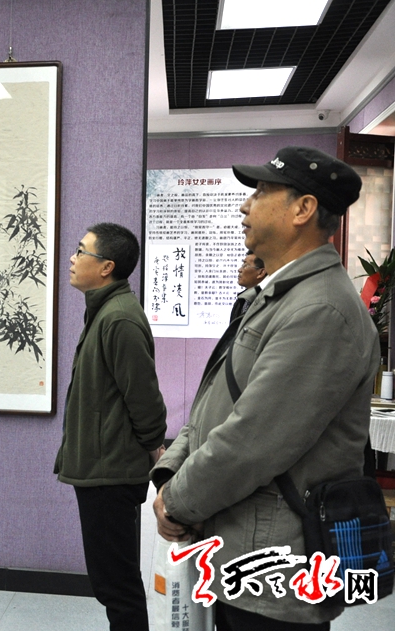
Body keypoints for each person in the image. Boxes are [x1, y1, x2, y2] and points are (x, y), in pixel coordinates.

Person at [151, 147, 379, 630]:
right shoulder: (278, 296)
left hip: (275, 573)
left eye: (260, 192)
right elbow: (215, 400)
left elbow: (252, 440)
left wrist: (178, 500)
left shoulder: (321, 310)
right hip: (243, 550)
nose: (245, 205)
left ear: (303, 209)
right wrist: (170, 474)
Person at [54, 222, 167, 631]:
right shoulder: (105, 311)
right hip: (101, 469)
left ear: (106, 267)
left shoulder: (118, 318)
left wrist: (156, 451)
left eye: (81, 251)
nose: (72, 258)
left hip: (111, 473)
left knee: (117, 586)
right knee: (111, 582)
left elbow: (144, 399)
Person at [229, 250, 267, 322]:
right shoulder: (242, 299)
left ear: (261, 272)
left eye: (245, 266)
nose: (239, 270)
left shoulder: (267, 301)